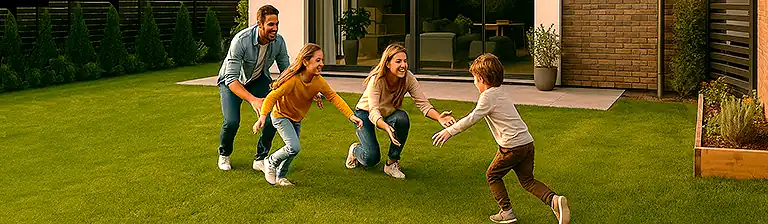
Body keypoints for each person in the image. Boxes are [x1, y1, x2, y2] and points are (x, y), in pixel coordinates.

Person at [431, 53, 571, 224]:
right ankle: (554, 200)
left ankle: (507, 212)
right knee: (527, 180)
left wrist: (449, 132)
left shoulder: (487, 97)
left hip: (511, 147)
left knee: (492, 175)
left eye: (475, 78)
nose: (474, 82)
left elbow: (472, 118)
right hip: (527, 142)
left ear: (482, 79)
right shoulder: (500, 92)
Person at [215, 5, 321, 171]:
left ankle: (260, 158)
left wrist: (308, 87)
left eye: (277, 24)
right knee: (232, 122)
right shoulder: (241, 41)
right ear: (259, 23)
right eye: (271, 24)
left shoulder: (278, 42)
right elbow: (231, 79)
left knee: (274, 116)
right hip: (233, 82)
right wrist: (253, 100)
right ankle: (224, 153)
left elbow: (288, 71)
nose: (275, 28)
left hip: (258, 79)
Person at [253, 43, 364, 186]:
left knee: (293, 150)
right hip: (281, 116)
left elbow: (333, 97)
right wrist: (262, 116)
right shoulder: (293, 80)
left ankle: (281, 176)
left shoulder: (318, 81)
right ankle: (271, 161)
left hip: (296, 118)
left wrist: (351, 115)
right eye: (318, 60)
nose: (322, 64)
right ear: (305, 62)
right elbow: (271, 97)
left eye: (322, 60)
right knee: (293, 147)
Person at [344, 43, 456, 179]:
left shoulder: (408, 78)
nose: (403, 65)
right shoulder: (377, 80)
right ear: (387, 63)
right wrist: (385, 126)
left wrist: (439, 117)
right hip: (365, 114)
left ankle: (391, 163)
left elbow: (423, 104)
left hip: (388, 113)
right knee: (370, 158)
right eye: (398, 61)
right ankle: (355, 150)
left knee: (402, 118)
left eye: (405, 61)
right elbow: (373, 111)